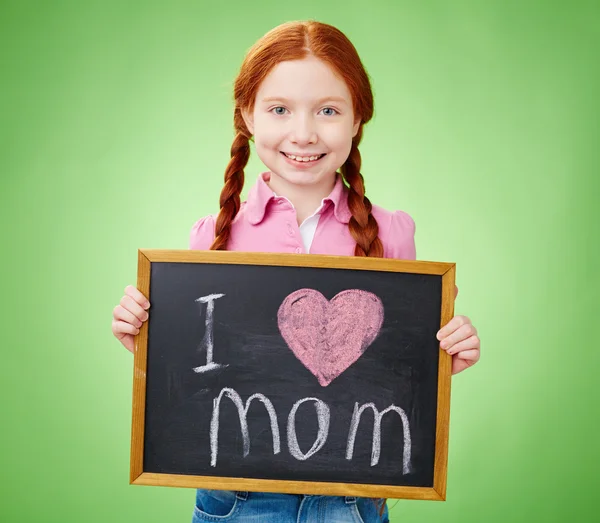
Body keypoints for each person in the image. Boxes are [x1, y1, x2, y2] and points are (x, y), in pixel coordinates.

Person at [111, 20, 481, 523]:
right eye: (280, 109)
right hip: (236, 500)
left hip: (352, 500)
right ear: (247, 115)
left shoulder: (393, 235)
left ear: (357, 120)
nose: (304, 133)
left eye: (328, 110)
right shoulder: (211, 240)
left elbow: (404, 371)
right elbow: (197, 375)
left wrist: (446, 352)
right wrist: (148, 339)